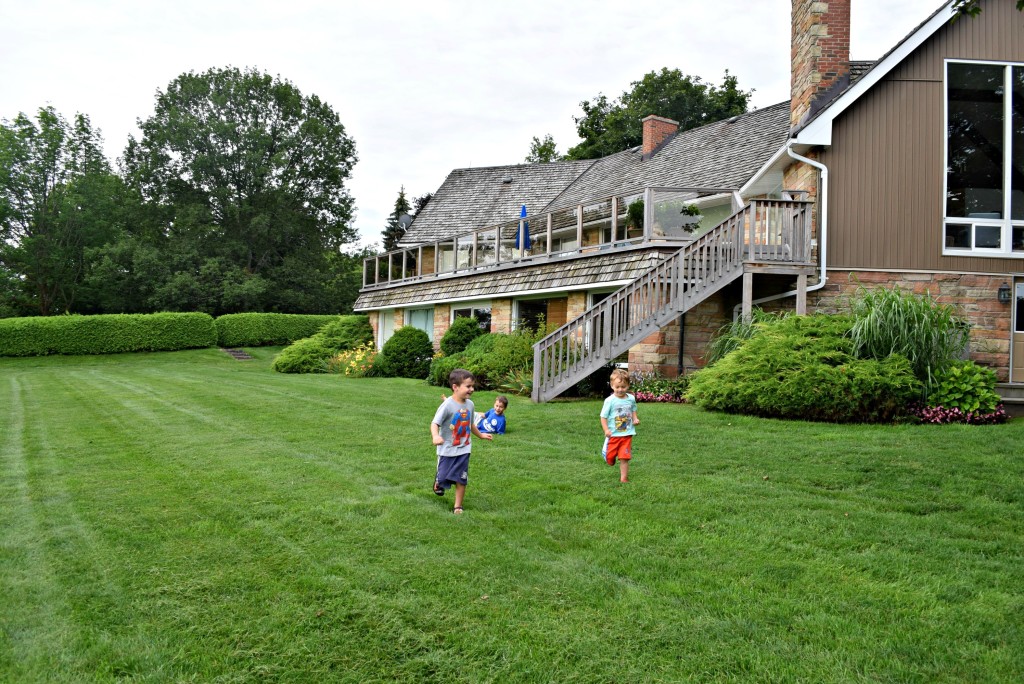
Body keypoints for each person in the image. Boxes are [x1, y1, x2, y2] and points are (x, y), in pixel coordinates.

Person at [431, 368, 493, 514]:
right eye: (468, 386)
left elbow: (471, 424)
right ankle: (439, 480)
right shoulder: (447, 405)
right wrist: (435, 436)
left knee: (461, 478)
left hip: (464, 448)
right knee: (444, 476)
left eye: (472, 386)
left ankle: (458, 506)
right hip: (446, 448)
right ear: (455, 387)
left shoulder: (470, 405)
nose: (472, 389)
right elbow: (435, 423)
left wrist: (481, 435)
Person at [600, 368, 640, 483]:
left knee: (624, 457)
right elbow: (603, 417)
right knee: (610, 458)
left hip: (627, 434)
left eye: (623, 387)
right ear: (612, 386)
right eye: (617, 387)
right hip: (613, 435)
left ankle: (624, 478)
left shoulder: (631, 398)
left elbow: (633, 409)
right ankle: (608, 457)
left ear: (628, 386)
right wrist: (606, 429)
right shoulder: (610, 401)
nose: (620, 390)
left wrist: (635, 418)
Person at [440, 393, 509, 434]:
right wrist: (474, 413)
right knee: (465, 412)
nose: (498, 408)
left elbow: (500, 432)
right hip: (479, 420)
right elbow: (484, 415)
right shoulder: (492, 410)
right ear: (494, 404)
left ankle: (449, 425)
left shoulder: (502, 421)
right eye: (496, 406)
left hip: (476, 425)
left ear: (504, 408)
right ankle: (447, 401)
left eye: (501, 407)